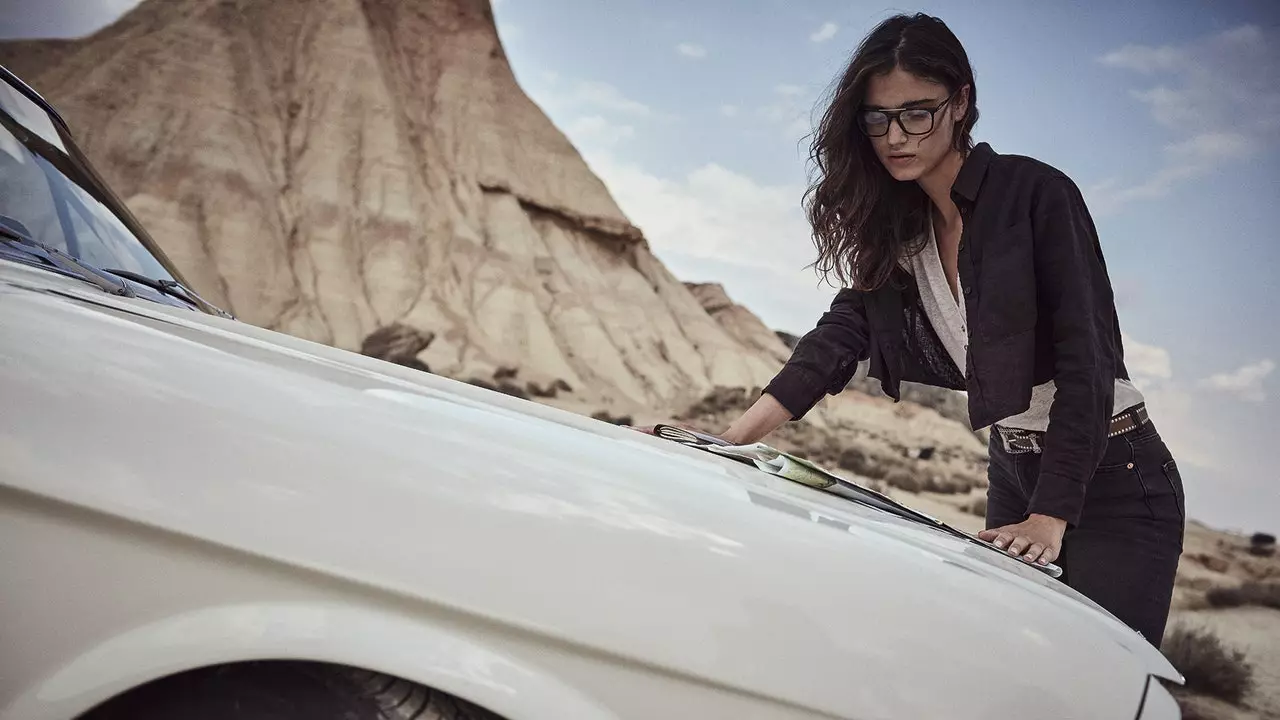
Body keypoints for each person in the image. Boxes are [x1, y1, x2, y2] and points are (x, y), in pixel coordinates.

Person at [645, 13, 1186, 648]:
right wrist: (729, 440)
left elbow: (1086, 362)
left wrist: (1050, 517)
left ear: (961, 103)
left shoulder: (1036, 195)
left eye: (916, 113)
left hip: (1114, 479)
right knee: (1014, 670)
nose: (895, 136)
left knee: (1101, 677)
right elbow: (837, 339)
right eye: (878, 118)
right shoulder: (903, 228)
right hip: (1012, 467)